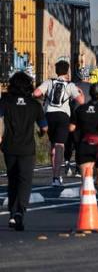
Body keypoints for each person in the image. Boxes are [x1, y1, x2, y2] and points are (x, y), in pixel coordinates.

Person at [1, 72, 47, 231]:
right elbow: (44, 127)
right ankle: (20, 211)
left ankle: (13, 214)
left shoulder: (5, 101)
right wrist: (41, 133)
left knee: (12, 179)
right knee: (25, 181)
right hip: (27, 148)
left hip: (9, 146)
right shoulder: (35, 104)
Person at [70, 83, 98, 226]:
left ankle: (86, 211)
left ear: (89, 93)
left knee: (85, 180)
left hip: (84, 146)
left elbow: (71, 128)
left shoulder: (80, 109)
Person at [33, 58, 84, 187]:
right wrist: (80, 92)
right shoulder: (70, 85)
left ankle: (54, 175)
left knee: (53, 145)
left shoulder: (49, 82)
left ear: (56, 71)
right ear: (67, 71)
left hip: (49, 114)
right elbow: (81, 101)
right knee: (60, 145)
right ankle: (57, 177)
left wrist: (45, 97)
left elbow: (36, 93)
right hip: (63, 117)